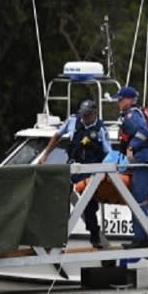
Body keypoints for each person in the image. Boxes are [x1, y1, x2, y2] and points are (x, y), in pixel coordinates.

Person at [39, 99, 112, 248]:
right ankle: (58, 235)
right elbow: (57, 135)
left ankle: (94, 235)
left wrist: (107, 171)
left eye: (87, 115)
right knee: (60, 194)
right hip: (74, 166)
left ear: (94, 114)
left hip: (91, 170)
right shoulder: (73, 121)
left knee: (89, 203)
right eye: (82, 115)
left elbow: (108, 153)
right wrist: (45, 154)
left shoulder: (101, 130)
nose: (84, 118)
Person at [113, 86, 148, 248]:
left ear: (129, 100)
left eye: (120, 99)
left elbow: (143, 131)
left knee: (138, 197)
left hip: (145, 158)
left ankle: (141, 238)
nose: (118, 102)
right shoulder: (140, 113)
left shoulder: (131, 116)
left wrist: (132, 147)